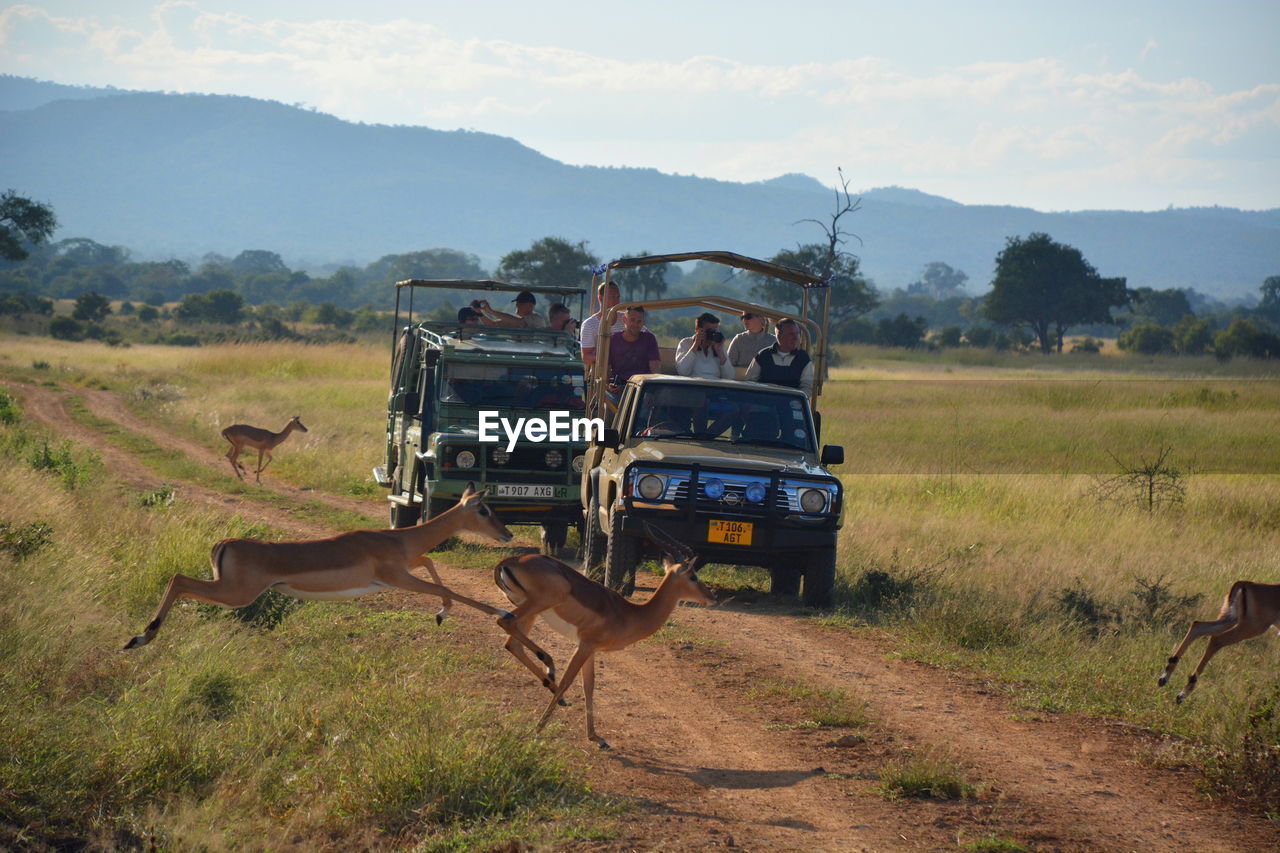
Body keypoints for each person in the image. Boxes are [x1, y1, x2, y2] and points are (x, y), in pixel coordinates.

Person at [746, 317, 813, 396]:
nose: (796, 338)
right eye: (791, 334)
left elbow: (807, 388)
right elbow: (750, 383)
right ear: (779, 336)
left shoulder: (803, 359)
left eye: (797, 333)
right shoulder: (763, 356)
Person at [607, 305, 661, 394]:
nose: (636, 324)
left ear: (643, 323)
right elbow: (605, 371)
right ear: (624, 320)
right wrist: (608, 386)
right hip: (619, 387)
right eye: (632, 320)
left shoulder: (649, 339)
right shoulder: (613, 340)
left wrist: (656, 388)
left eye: (639, 321)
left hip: (642, 387)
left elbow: (655, 368)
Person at [674, 311, 734, 380]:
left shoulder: (719, 346)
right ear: (697, 330)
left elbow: (730, 377)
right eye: (710, 332)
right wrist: (695, 345)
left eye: (715, 332)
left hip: (715, 386)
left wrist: (720, 353)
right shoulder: (686, 343)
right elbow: (682, 372)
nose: (712, 335)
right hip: (693, 385)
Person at [580, 281, 623, 368]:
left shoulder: (626, 319)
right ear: (600, 298)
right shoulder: (589, 324)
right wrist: (608, 359)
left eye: (617, 297)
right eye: (612, 297)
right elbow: (586, 357)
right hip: (603, 373)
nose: (616, 301)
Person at [474, 291, 548, 328]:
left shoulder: (537, 318)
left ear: (531, 306)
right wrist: (479, 312)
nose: (517, 305)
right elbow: (493, 324)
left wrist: (491, 311)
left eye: (521, 302)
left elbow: (520, 322)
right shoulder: (516, 320)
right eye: (517, 303)